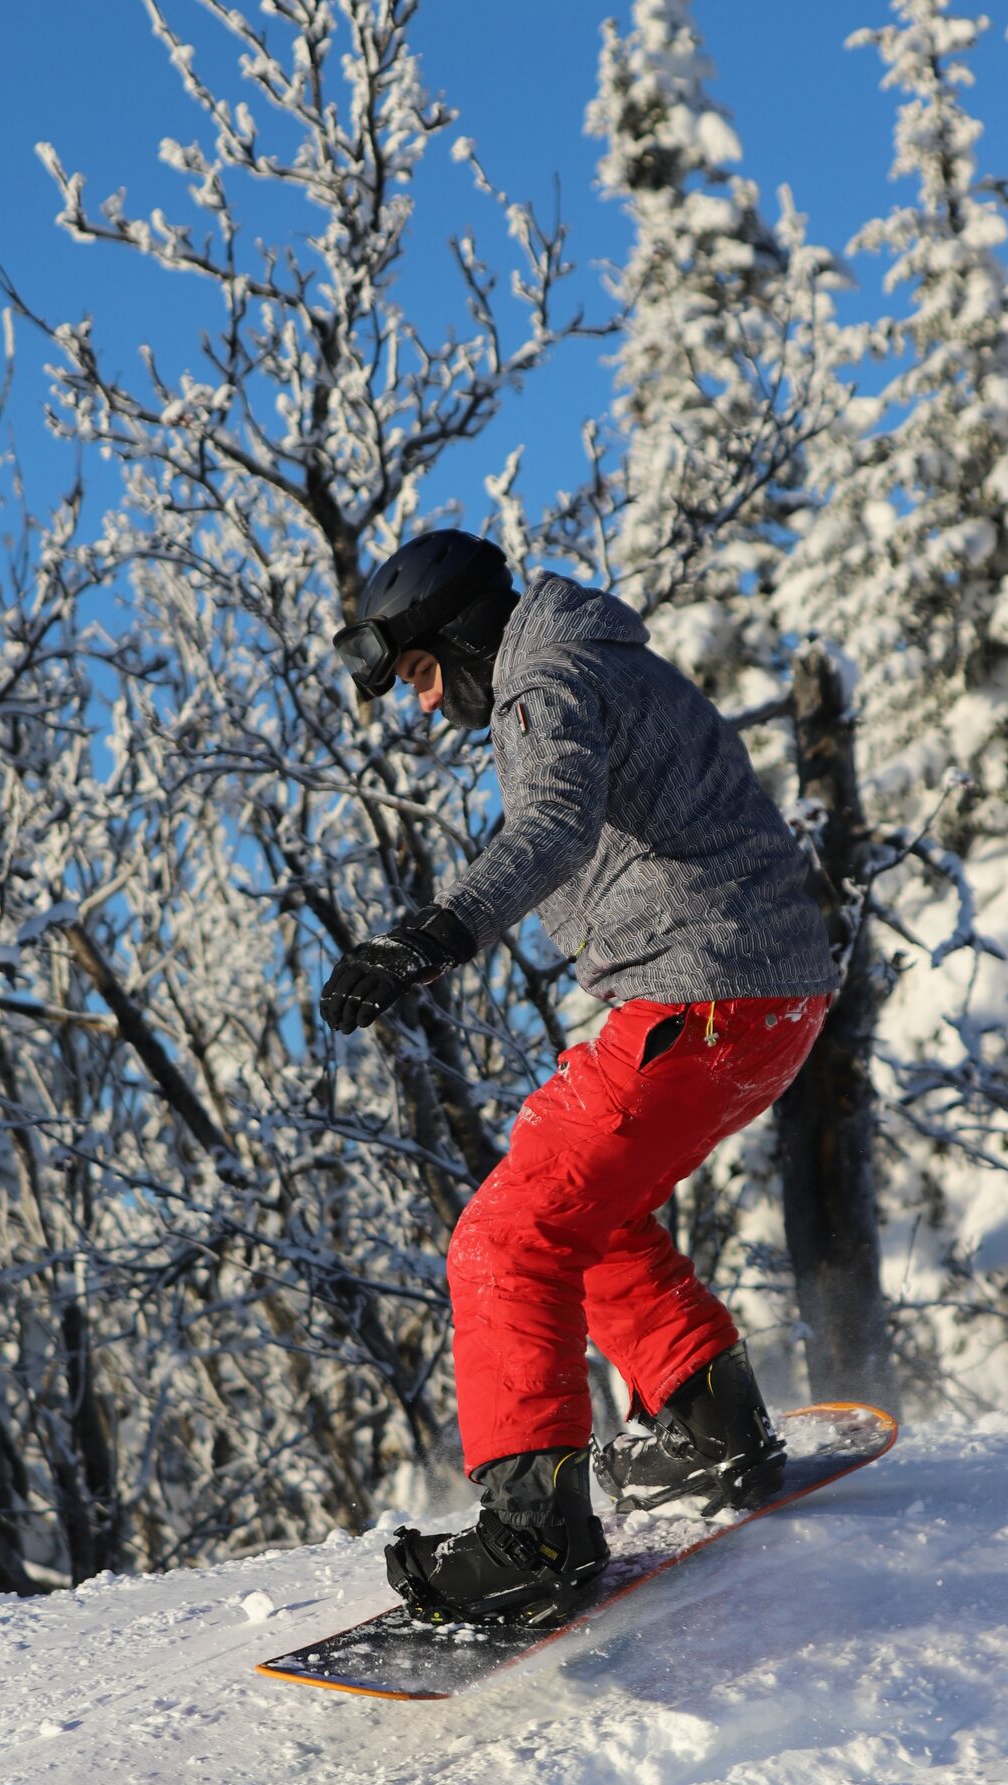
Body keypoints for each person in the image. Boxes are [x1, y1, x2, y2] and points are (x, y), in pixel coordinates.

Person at [321, 529, 838, 1624]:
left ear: (458, 636)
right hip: (771, 1003)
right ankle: (711, 1429)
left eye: (417, 675)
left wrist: (431, 934)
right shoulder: (602, 658)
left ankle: (535, 1539)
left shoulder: (540, 680)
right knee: (572, 1198)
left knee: (504, 1238)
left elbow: (551, 821)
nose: (423, 706)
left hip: (699, 1002)